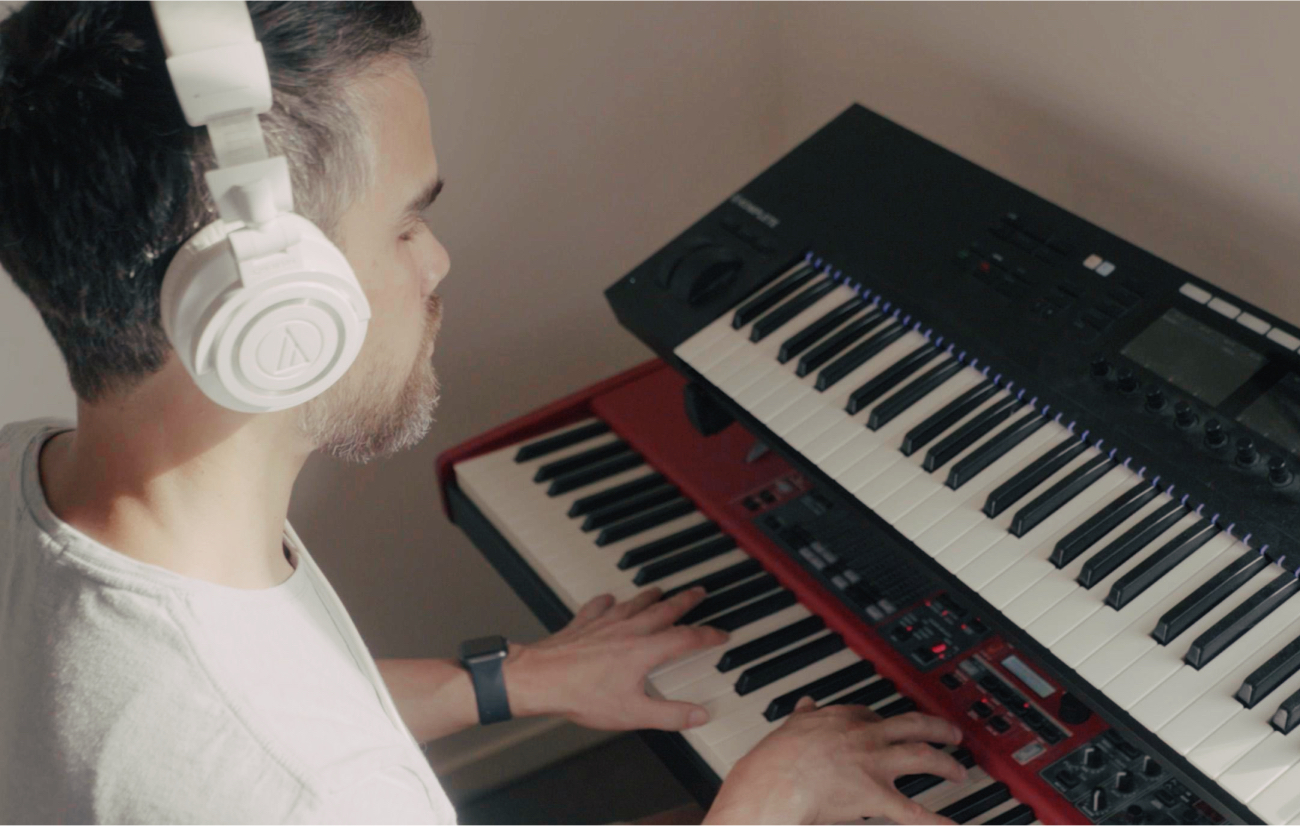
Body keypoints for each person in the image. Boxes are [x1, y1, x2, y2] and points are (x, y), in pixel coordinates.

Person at [0, 2, 969, 824]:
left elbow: (256, 710)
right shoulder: (321, 797)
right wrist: (762, 796)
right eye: (406, 222)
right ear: (268, 312)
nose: (436, 263)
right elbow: (276, 754)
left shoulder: (24, 473)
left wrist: (506, 682)